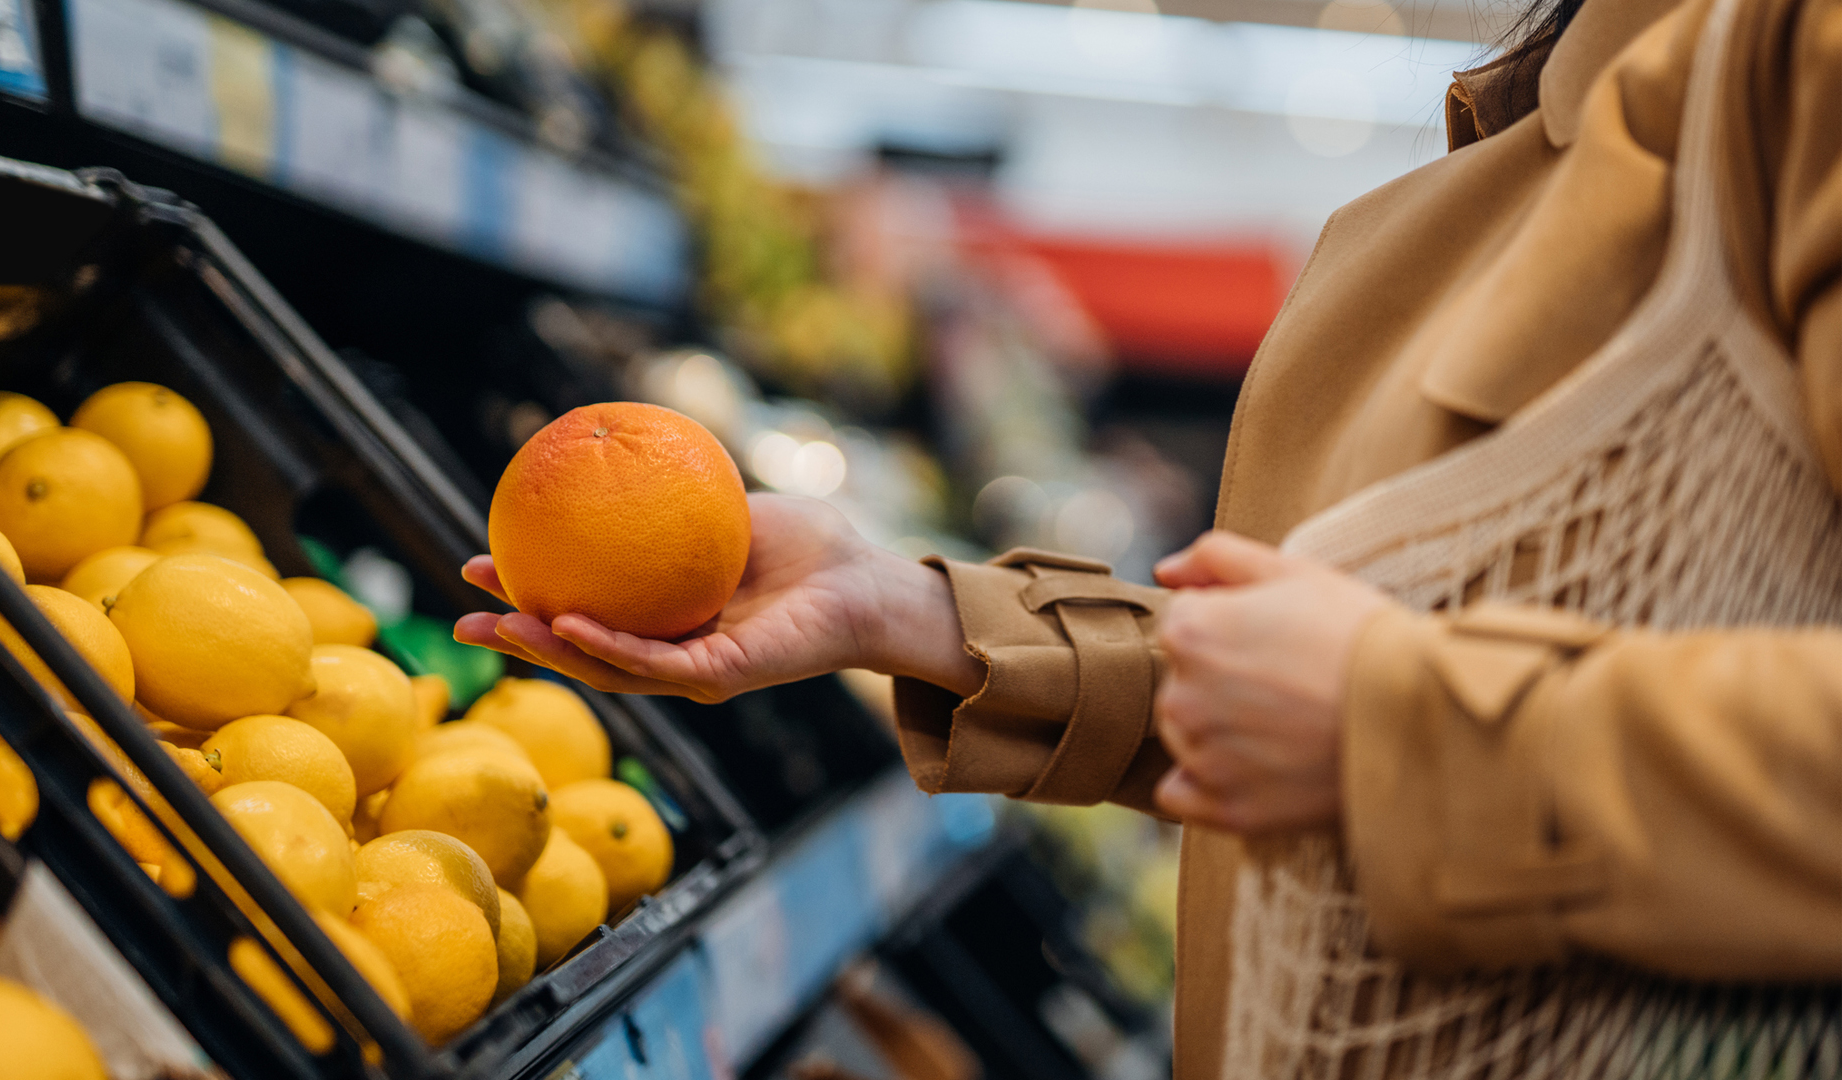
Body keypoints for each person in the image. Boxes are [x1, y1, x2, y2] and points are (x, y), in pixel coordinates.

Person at [456, 0, 1842, 1069]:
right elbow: (1347, 696)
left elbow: (1400, 710)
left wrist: (1404, 724)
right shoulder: (1577, 96)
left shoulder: (1793, 72)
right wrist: (914, 613)